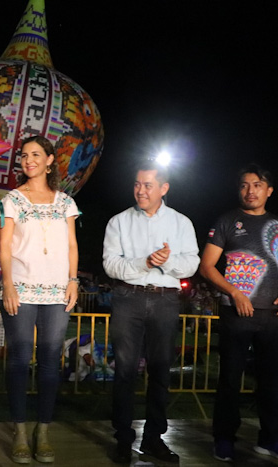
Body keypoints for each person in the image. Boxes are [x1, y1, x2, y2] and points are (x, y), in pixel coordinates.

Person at [199, 165, 278, 462]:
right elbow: (206, 266)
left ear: (269, 190)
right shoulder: (227, 221)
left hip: (272, 314)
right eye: (244, 185)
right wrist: (235, 292)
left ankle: (270, 438)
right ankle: (224, 438)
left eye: (257, 185)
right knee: (230, 379)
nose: (250, 190)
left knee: (273, 380)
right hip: (236, 312)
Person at [102, 161, 199, 464]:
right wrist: (143, 264)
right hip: (127, 298)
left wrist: (165, 263)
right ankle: (122, 437)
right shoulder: (118, 222)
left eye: (147, 185)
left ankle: (154, 439)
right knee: (125, 371)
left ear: (164, 188)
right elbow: (110, 265)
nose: (140, 190)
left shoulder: (181, 223)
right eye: (137, 184)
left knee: (160, 371)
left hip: (165, 299)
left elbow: (191, 263)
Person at [0, 135, 79, 464]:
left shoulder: (65, 203)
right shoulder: (12, 200)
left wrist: (73, 281)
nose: (28, 160)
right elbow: (4, 247)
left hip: (57, 291)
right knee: (18, 362)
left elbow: (72, 245)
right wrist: (9, 284)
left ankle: (42, 432)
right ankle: (19, 432)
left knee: (49, 364)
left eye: (35, 154)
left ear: (49, 160)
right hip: (21, 286)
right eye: (24, 155)